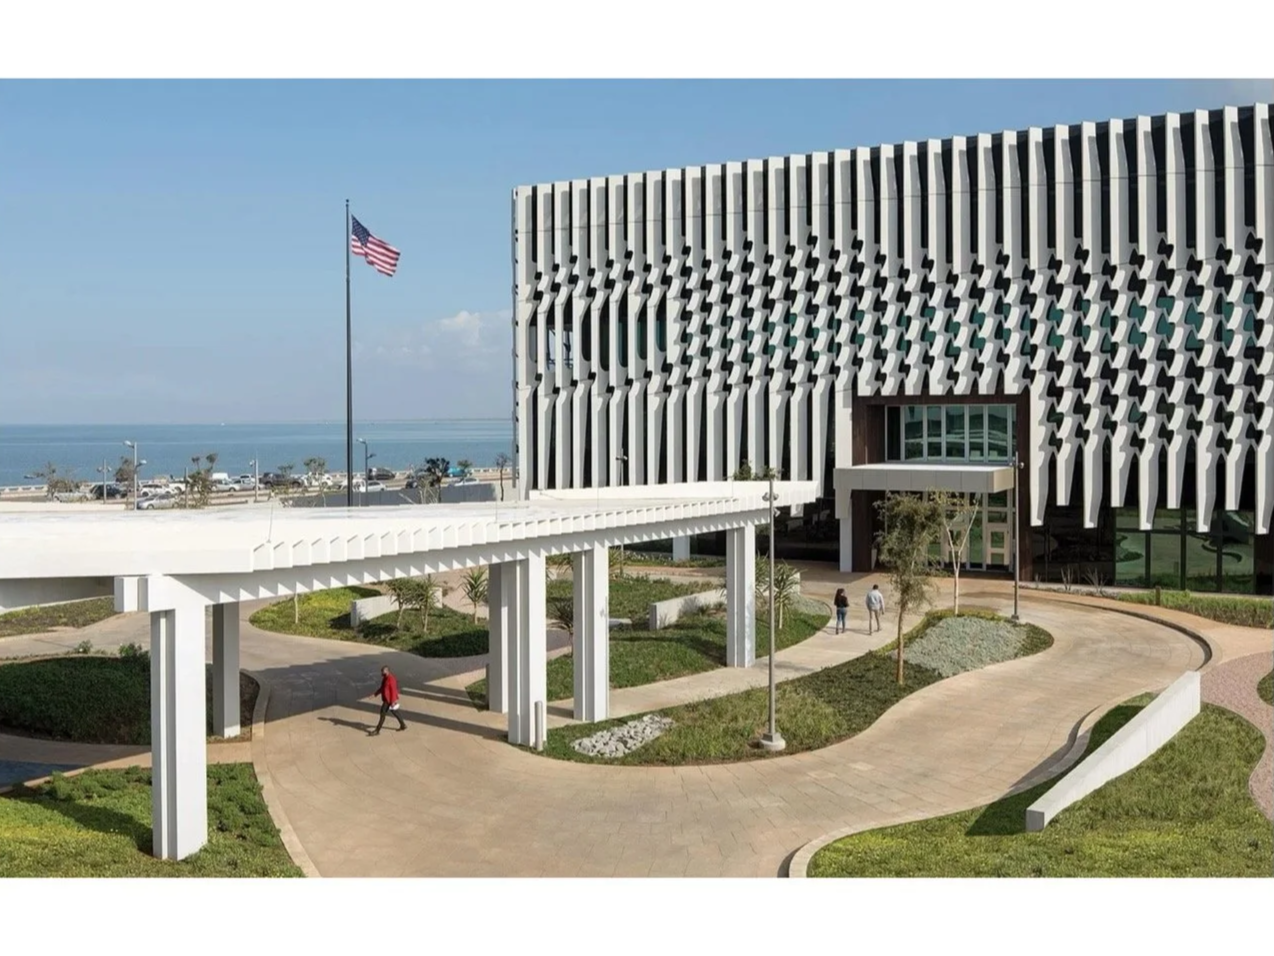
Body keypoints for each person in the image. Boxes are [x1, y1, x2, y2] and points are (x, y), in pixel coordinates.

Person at [368, 665, 407, 735]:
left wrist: (393, 701)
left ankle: (377, 730)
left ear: (387, 671)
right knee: (395, 712)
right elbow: (382, 688)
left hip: (389, 700)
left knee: (382, 713)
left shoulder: (391, 679)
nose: (381, 673)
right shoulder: (385, 678)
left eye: (382, 671)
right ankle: (403, 725)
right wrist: (375, 695)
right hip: (387, 699)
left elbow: (393, 691)